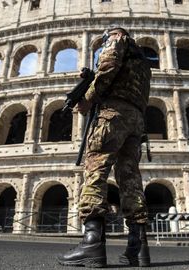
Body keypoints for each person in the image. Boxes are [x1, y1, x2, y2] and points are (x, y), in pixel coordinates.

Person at [57, 27, 151, 268]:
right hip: (136, 120)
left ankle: (92, 244)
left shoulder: (117, 40)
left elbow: (108, 66)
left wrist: (87, 97)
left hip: (112, 116)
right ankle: (138, 250)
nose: (106, 40)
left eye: (106, 37)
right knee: (130, 180)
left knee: (95, 171)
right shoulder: (142, 60)